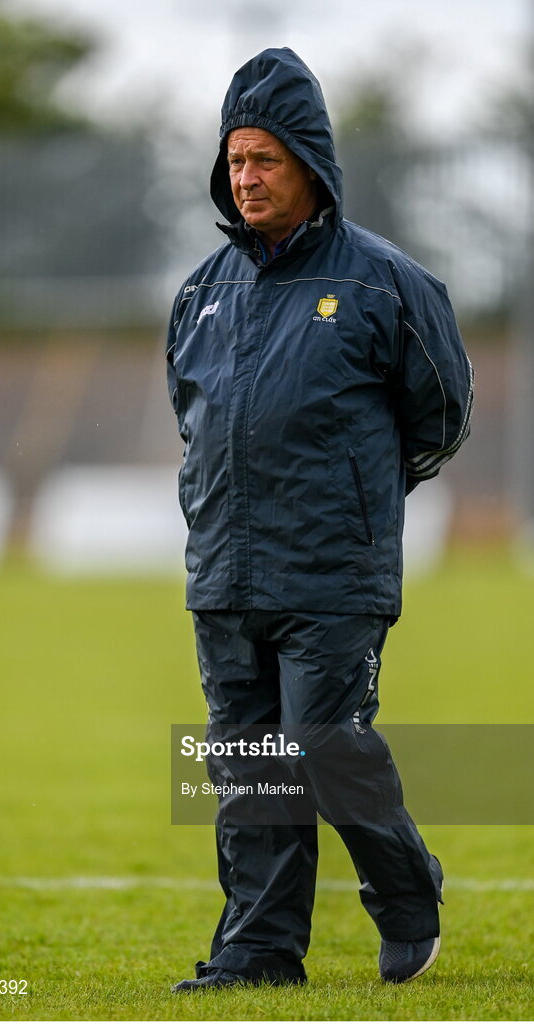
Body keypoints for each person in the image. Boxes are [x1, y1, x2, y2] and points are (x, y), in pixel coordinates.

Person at [166, 47, 473, 991]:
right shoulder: (199, 294)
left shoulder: (386, 283)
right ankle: (258, 953)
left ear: (309, 162)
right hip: (225, 573)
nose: (246, 178)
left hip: (334, 571)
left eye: (266, 159)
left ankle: (406, 889)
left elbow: (442, 415)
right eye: (235, 160)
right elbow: (193, 419)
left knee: (326, 746)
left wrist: (357, 500)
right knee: (250, 769)